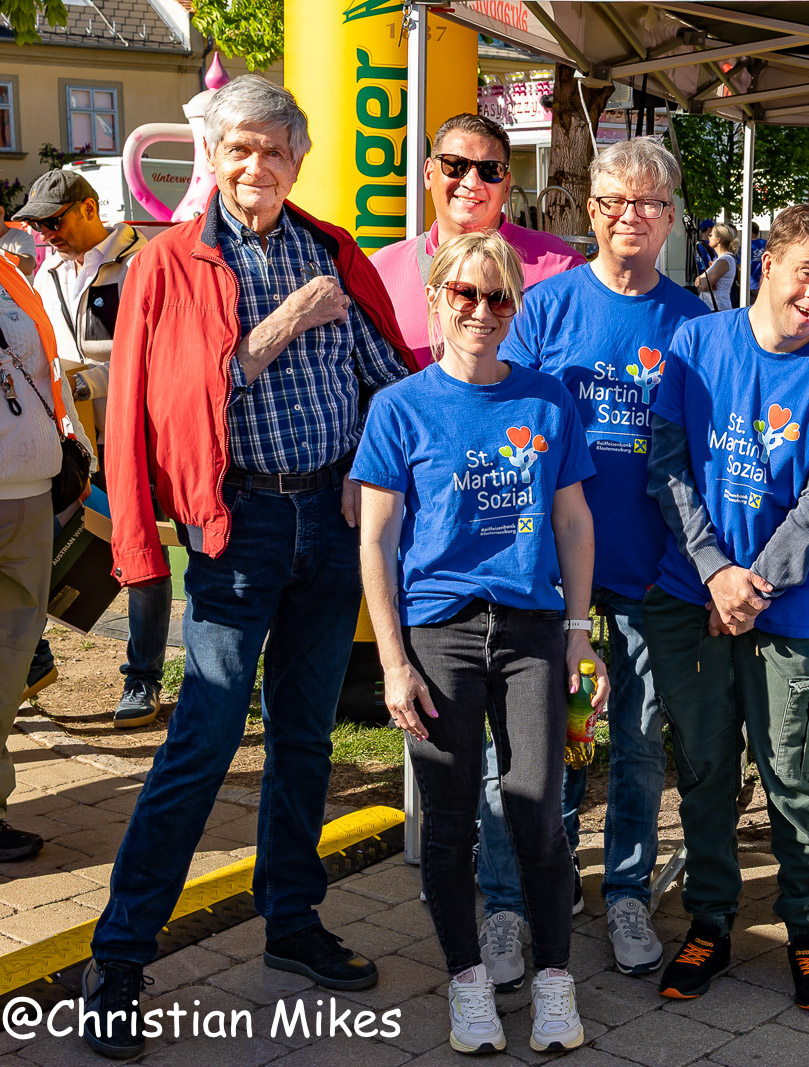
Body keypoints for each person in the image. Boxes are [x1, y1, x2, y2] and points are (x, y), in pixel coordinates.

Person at [85, 75, 414, 1060]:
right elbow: (157, 402)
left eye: (274, 148)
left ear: (298, 160)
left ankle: (293, 919)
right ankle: (119, 956)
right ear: (212, 157)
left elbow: (391, 380)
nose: (256, 165)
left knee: (306, 736)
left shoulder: (331, 250)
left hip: (328, 518)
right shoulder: (168, 261)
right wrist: (282, 325)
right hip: (237, 527)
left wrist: (376, 469)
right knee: (204, 736)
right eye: (240, 148)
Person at [356, 230, 606, 1055]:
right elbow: (376, 541)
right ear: (436, 297)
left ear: (515, 307)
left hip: (532, 630)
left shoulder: (546, 400)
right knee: (450, 818)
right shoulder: (399, 406)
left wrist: (579, 632)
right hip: (440, 635)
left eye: (498, 296)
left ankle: (554, 979)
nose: (480, 310)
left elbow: (573, 520)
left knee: (538, 810)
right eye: (465, 292)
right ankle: (467, 982)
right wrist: (392, 661)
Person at [643, 203, 809, 1010]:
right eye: (807, 274)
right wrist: (715, 573)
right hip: (689, 595)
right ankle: (710, 918)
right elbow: (668, 467)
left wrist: (752, 586)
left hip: (785, 609)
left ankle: (808, 927)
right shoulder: (697, 343)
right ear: (767, 264)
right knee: (705, 768)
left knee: (790, 773)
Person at [500, 136, 708, 980]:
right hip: (553, 574)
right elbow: (505, 416)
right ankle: (534, 887)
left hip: (652, 570)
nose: (632, 216)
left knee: (638, 742)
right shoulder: (546, 307)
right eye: (616, 201)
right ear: (590, 211)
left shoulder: (695, 321)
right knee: (545, 740)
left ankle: (626, 891)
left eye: (650, 203)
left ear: (671, 218)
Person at [21, 169, 167, 728]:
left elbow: (157, 354)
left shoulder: (143, 261)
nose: (45, 235)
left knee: (143, 556)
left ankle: (143, 678)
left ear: (88, 208)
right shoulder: (46, 270)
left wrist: (86, 384)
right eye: (37, 226)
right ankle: (32, 658)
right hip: (72, 440)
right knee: (34, 544)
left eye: (52, 222)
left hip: (136, 437)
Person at [370, 112, 583, 367]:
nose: (472, 182)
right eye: (455, 165)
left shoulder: (561, 268)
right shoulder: (379, 271)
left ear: (506, 186)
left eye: (490, 170)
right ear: (428, 173)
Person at [0, 253, 74, 863]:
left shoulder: (10, 273)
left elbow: (46, 368)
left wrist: (73, 447)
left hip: (30, 496)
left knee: (8, 666)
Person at [695, 222, 737, 311]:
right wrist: (705, 282)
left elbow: (703, 285)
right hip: (713, 308)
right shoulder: (719, 260)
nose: (708, 237)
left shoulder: (724, 260)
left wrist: (703, 281)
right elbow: (699, 282)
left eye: (711, 235)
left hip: (717, 308)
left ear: (718, 239)